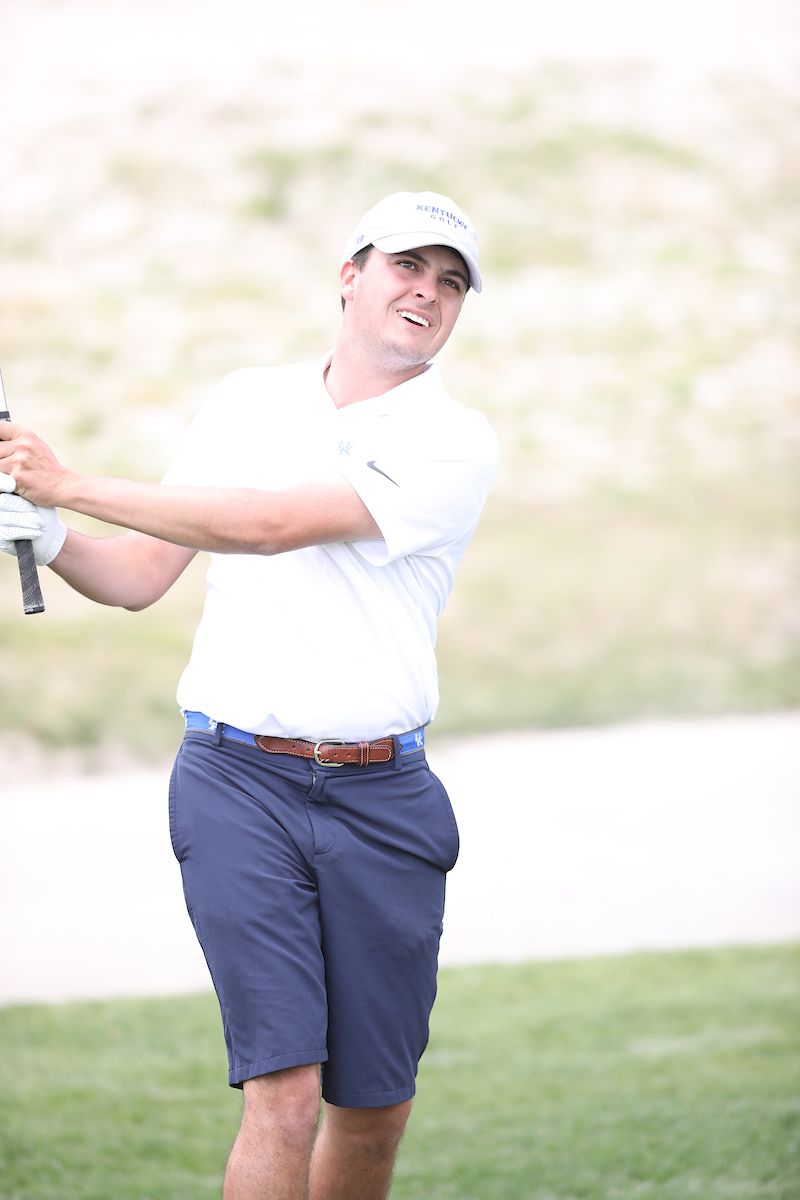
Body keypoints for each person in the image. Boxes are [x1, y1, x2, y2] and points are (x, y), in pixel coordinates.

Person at [0, 190, 499, 1200]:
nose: (427, 292)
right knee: (282, 1090)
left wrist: (66, 484)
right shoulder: (247, 400)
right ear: (350, 275)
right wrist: (43, 531)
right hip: (237, 783)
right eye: (407, 266)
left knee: (373, 1108)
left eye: (449, 282)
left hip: (383, 796)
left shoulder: (451, 440)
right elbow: (142, 575)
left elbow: (270, 522)